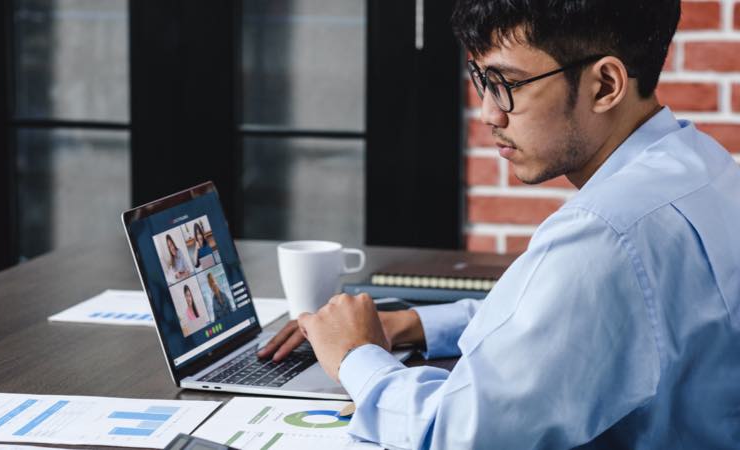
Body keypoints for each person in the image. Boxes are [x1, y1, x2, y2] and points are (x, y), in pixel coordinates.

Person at [257, 1, 740, 448]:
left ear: (605, 85)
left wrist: (355, 355)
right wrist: (418, 324)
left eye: (505, 82)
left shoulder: (605, 233)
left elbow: (456, 434)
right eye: (479, 79)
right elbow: (571, 316)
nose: (488, 112)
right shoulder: (700, 163)